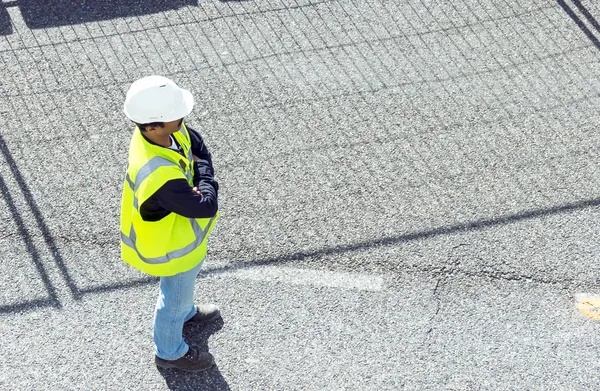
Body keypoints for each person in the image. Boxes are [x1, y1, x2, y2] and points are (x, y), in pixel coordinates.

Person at [120, 75, 220, 372]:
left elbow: (197, 143)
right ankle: (170, 352)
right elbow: (206, 205)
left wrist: (201, 169)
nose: (183, 119)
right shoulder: (159, 176)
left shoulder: (162, 133)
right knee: (173, 298)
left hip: (181, 239)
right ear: (153, 125)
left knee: (180, 293)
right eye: (177, 116)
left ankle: (186, 312)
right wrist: (205, 174)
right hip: (172, 249)